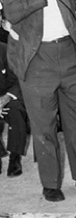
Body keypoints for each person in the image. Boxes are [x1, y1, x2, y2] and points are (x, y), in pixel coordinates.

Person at [2, 0, 76, 202]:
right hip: (36, 56)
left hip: (70, 51)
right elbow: (12, 12)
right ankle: (51, 183)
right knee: (44, 125)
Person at [0, 40, 29, 177]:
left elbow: (19, 79)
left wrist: (6, 98)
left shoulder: (6, 51)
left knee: (16, 111)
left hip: (8, 95)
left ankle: (15, 157)